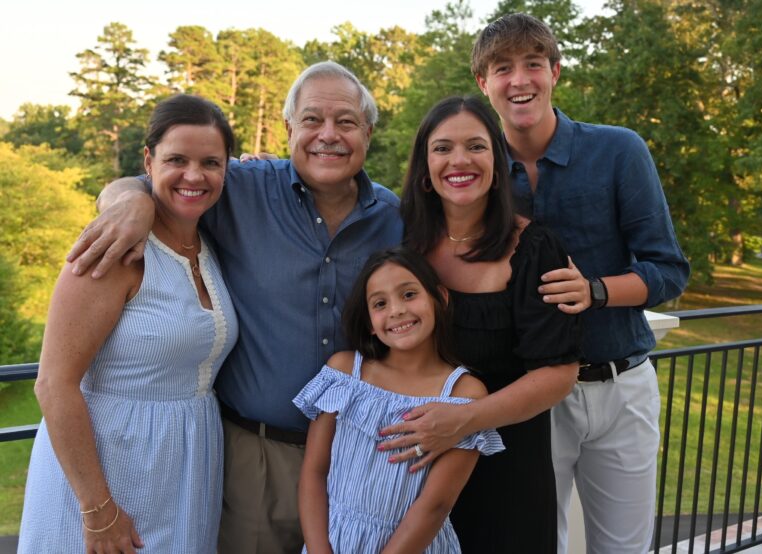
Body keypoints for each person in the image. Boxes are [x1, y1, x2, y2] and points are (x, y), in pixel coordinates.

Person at [64, 61, 403, 553]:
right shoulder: (241, 188)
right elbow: (159, 182)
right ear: (288, 128)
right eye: (312, 120)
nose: (328, 135)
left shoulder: (394, 218)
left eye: (346, 122)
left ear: (367, 132)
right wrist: (129, 203)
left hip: (360, 457)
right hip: (256, 459)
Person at [474, 13, 691, 554]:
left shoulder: (619, 151)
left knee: (625, 549)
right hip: (530, 394)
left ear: (555, 72)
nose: (519, 80)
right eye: (502, 68)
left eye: (532, 64)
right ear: (483, 83)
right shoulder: (475, 166)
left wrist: (595, 290)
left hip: (623, 386)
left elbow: (669, 269)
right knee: (536, 544)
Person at [18, 94, 239, 553]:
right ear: (148, 162)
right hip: (109, 472)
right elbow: (54, 385)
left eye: (210, 163)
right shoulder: (114, 250)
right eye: (176, 160)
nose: (194, 175)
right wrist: (97, 509)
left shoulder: (209, 248)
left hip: (184, 476)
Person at [379, 95, 582, 552]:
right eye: (442, 148)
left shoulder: (535, 248)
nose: (459, 161)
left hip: (506, 474)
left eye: (475, 146)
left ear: (497, 162)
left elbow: (558, 374)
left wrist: (464, 421)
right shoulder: (401, 239)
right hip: (410, 472)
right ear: (425, 166)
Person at [294, 247, 504, 553]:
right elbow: (314, 472)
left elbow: (436, 505)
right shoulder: (343, 374)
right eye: (380, 303)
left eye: (409, 294)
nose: (396, 310)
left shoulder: (463, 394)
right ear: (369, 321)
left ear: (440, 298)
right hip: (332, 543)